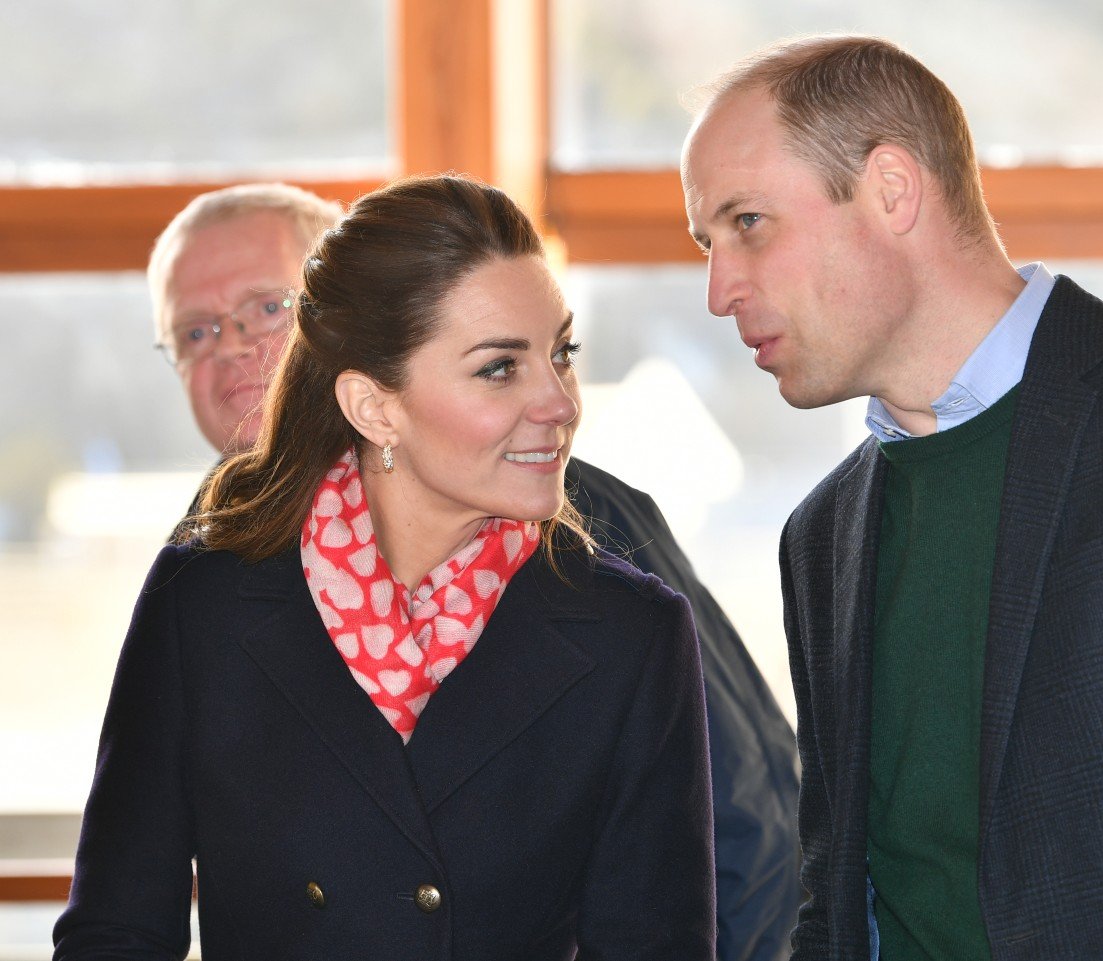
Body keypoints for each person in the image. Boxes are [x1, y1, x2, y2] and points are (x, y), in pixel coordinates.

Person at [682, 35, 1103, 961]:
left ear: (891, 189)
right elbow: (837, 898)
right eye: (705, 244)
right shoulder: (821, 535)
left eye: (748, 223)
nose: (719, 290)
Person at [54, 175, 716, 960]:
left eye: (560, 352)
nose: (561, 401)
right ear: (374, 407)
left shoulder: (628, 632)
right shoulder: (206, 602)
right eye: (500, 367)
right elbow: (117, 932)